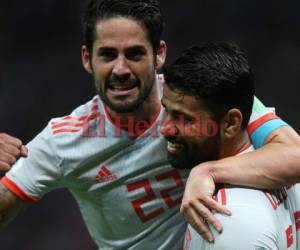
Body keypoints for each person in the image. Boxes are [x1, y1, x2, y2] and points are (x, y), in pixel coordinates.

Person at [0, 0, 300, 247]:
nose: (120, 69)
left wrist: (207, 171)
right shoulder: (62, 141)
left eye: (134, 54)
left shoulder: (198, 98)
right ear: (87, 58)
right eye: (107, 54)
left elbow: (295, 155)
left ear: (159, 54)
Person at [162, 42, 299, 249]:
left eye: (185, 119)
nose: (166, 129)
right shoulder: (272, 154)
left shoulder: (226, 221)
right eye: (167, 111)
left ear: (231, 123)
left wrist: (208, 170)